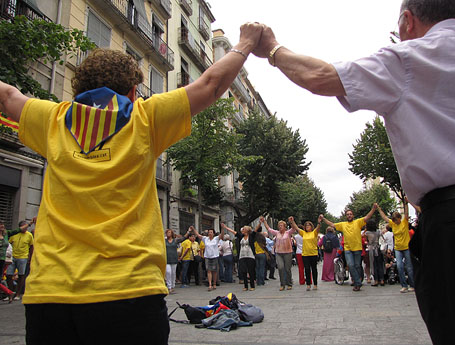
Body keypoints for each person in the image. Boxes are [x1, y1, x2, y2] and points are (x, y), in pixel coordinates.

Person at [0, 22, 263, 344]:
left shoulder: (51, 118)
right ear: (132, 91)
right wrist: (246, 43)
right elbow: (210, 85)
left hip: (51, 293)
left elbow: (8, 94)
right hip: (129, 287)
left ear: (78, 87)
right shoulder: (145, 117)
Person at [251, 1, 455, 340]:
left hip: (451, 219)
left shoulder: (410, 58)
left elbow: (320, 77)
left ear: (407, 21)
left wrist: (271, 48)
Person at [322, 206, 377, 291]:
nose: (349, 215)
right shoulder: (343, 224)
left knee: (357, 265)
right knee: (351, 265)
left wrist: (373, 209)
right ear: (346, 216)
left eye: (350, 214)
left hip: (357, 248)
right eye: (347, 214)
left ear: (353, 215)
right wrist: (323, 218)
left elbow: (367, 217)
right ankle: (357, 282)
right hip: (348, 249)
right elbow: (332, 224)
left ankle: (357, 282)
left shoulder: (358, 222)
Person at [377, 203, 415, 293]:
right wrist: (378, 209)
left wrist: (406, 203)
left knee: (409, 267)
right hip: (398, 248)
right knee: (399, 266)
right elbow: (385, 217)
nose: (396, 222)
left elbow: (406, 213)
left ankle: (412, 285)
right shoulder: (393, 224)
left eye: (397, 220)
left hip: (406, 247)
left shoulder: (404, 222)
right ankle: (404, 285)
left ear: (399, 218)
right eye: (394, 220)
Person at [260, 216, 295, 291]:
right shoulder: (277, 233)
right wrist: (264, 221)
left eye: (281, 225)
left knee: (287, 269)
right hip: (279, 252)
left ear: (285, 226)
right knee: (280, 268)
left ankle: (289, 283)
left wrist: (292, 221)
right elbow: (269, 229)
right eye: (279, 226)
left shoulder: (288, 233)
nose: (280, 227)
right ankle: (282, 284)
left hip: (288, 252)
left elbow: (294, 228)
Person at [289, 216, 322, 291]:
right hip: (305, 254)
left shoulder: (314, 233)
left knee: (314, 269)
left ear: (311, 226)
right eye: (306, 225)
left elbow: (318, 228)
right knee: (307, 269)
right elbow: (296, 228)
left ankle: (315, 284)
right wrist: (292, 221)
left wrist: (319, 222)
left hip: (313, 253)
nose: (307, 226)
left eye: (309, 225)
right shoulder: (303, 233)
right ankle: (308, 284)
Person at [221, 224, 258, 291]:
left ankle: (252, 285)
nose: (242, 230)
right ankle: (245, 286)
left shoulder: (251, 236)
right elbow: (233, 232)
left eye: (243, 229)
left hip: (250, 255)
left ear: (247, 230)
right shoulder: (241, 237)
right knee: (243, 270)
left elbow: (255, 230)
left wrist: (260, 222)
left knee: (250, 270)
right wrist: (226, 227)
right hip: (242, 256)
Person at [6, 220, 34, 302]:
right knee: (8, 275)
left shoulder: (29, 235)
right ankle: (10, 292)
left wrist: (30, 257)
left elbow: (32, 246)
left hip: (23, 257)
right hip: (12, 257)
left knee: (21, 275)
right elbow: (9, 243)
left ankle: (18, 294)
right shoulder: (14, 234)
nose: (26, 228)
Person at [190, 226, 222, 291]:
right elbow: (198, 235)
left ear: (213, 233)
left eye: (211, 232)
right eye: (209, 232)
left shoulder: (216, 239)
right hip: (207, 256)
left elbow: (222, 235)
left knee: (215, 271)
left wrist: (223, 228)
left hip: (214, 256)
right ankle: (210, 284)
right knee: (209, 270)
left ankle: (214, 283)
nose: (209, 233)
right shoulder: (205, 239)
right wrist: (193, 229)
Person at [363, 218, 385, 287]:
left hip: (371, 249)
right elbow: (382, 239)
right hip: (378, 249)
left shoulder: (367, 233)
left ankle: (375, 280)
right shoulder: (378, 231)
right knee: (380, 264)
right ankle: (381, 280)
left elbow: (363, 236)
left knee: (373, 265)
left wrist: (366, 229)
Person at [164, 229, 184, 293]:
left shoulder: (175, 241)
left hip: (174, 259)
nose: (168, 233)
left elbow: (183, 238)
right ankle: (169, 287)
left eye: (169, 232)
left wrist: (188, 232)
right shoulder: (164, 240)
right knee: (168, 272)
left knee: (173, 273)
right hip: (167, 259)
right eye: (167, 232)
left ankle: (172, 286)